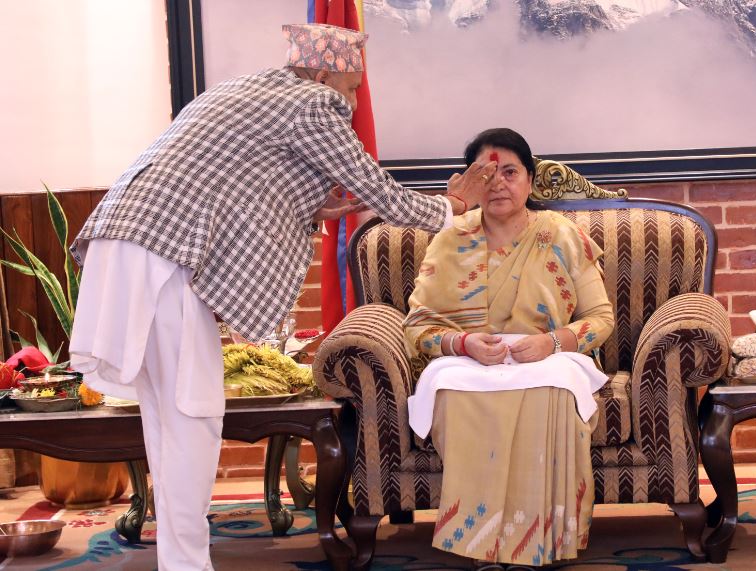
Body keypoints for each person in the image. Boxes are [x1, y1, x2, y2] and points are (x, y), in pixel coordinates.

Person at [67, 23, 496, 571]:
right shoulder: (313, 102)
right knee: (193, 414)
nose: (352, 102)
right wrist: (453, 206)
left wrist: (313, 208)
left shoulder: (245, 89)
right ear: (322, 75)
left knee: (170, 416)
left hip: (128, 244)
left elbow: (237, 181)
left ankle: (181, 562)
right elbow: (379, 190)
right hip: (160, 254)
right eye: (351, 88)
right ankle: (187, 564)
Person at [403, 128, 615, 570]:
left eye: (510, 173)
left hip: (549, 356)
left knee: (553, 390)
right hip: (468, 359)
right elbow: (417, 327)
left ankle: (536, 542)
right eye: (486, 174)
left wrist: (551, 342)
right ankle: (480, 541)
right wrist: (463, 342)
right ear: (469, 182)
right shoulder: (448, 239)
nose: (498, 183)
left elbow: (600, 318)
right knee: (455, 391)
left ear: (530, 181)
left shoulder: (562, 235)